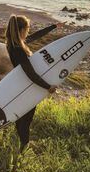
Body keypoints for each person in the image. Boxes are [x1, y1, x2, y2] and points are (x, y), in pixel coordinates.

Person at [6, 15, 64, 151]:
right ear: (21, 30)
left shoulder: (15, 43)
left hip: (22, 85)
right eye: (27, 28)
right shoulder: (18, 49)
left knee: (22, 117)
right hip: (27, 86)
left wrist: (53, 26)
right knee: (26, 119)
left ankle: (21, 143)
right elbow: (30, 73)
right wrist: (47, 87)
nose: (28, 31)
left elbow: (35, 36)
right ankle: (24, 147)